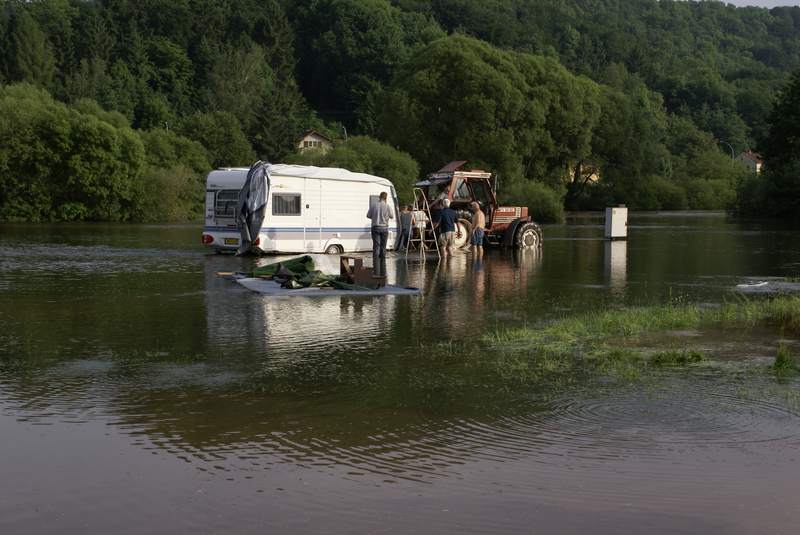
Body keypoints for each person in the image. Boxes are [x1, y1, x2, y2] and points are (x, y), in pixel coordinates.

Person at [366, 191, 393, 277]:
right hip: (384, 228)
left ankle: (376, 269)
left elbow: (368, 215)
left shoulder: (374, 205)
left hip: (375, 227)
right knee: (383, 247)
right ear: (386, 198)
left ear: (379, 197)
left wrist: (375, 217)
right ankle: (382, 267)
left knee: (376, 246)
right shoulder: (387, 206)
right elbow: (392, 216)